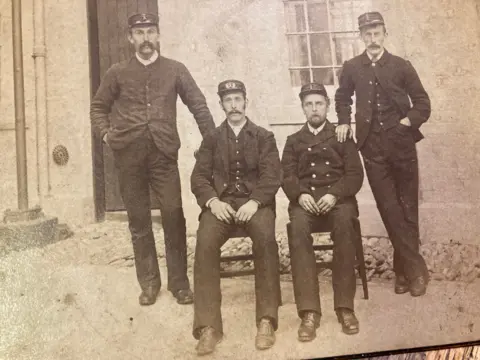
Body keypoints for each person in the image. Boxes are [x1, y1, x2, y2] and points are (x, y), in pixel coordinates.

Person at [90, 13, 215, 306]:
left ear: (158, 36)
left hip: (163, 154)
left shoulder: (175, 70)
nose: (145, 38)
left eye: (150, 32)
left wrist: (211, 141)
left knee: (173, 214)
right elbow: (98, 107)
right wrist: (106, 135)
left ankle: (179, 284)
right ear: (130, 38)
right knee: (139, 220)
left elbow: (198, 104)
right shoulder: (117, 72)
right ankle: (148, 284)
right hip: (128, 155)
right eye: (139, 32)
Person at [334, 11, 431, 297]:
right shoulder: (352, 67)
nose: (372, 39)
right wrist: (343, 121)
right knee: (389, 209)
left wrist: (406, 123)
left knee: (407, 209)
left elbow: (423, 104)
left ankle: (404, 273)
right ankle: (417, 272)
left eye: (377, 33)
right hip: (371, 148)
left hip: (401, 146)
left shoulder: (402, 66)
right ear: (361, 37)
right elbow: (342, 97)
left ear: (385, 34)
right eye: (367, 34)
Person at [190, 80, 282, 355]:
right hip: (222, 206)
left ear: (246, 102)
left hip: (255, 205)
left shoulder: (264, 137)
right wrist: (212, 201)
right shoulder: (212, 139)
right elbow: (198, 177)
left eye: (237, 99)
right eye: (228, 100)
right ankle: (208, 327)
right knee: (204, 242)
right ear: (221, 105)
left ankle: (266, 319)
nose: (233, 105)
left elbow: (272, 176)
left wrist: (255, 202)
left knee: (265, 239)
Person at [281, 83, 364, 339]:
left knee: (344, 225)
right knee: (297, 229)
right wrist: (301, 194)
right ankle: (309, 312)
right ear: (303, 108)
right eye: (309, 104)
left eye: (319, 103)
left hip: (337, 199)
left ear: (327, 106)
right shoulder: (293, 141)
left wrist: (334, 194)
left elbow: (355, 175)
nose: (314, 109)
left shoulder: (341, 136)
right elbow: (286, 175)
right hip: (305, 202)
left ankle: (345, 308)